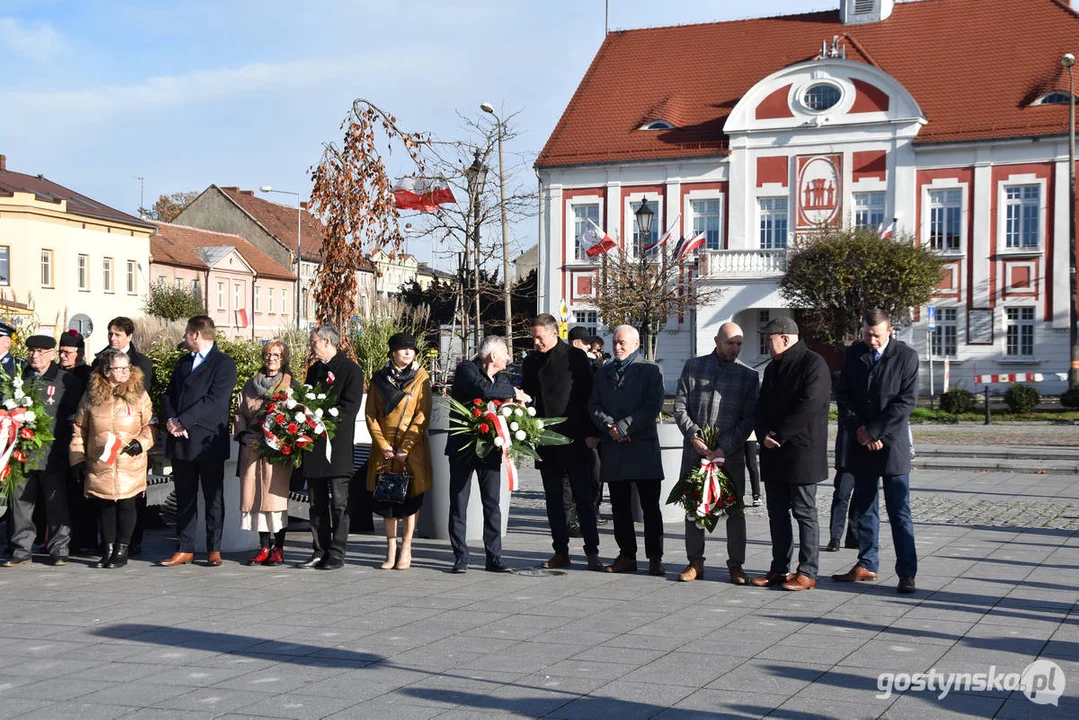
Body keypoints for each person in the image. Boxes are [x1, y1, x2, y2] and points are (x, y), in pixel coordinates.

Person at [832, 308, 920, 594]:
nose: (872, 341)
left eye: (877, 335)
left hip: (892, 445)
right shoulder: (853, 354)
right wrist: (860, 429)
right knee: (865, 508)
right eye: (867, 335)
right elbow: (843, 396)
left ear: (890, 331)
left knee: (899, 512)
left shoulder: (906, 357)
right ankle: (867, 562)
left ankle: (907, 572)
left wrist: (875, 431)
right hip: (861, 444)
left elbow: (905, 403)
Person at [672, 322, 758, 584]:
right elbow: (680, 407)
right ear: (716, 341)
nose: (735, 348)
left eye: (739, 344)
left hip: (729, 456)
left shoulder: (748, 376)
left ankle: (736, 566)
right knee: (694, 509)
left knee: (734, 512)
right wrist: (695, 436)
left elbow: (748, 419)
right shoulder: (694, 366)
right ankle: (695, 562)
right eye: (730, 342)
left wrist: (724, 447)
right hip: (696, 454)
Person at [750, 317, 830, 591]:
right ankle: (779, 569)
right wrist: (763, 434)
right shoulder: (773, 368)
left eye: (768, 338)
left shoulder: (813, 364)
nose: (766, 343)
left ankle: (807, 571)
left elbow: (810, 405)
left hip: (801, 453)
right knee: (777, 514)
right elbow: (760, 406)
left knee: (804, 512)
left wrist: (780, 434)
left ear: (784, 338)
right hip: (773, 452)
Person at [522, 314, 602, 571]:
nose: (536, 342)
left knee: (583, 497)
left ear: (554, 333)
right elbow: (527, 393)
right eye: (533, 337)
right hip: (545, 438)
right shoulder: (531, 361)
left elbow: (588, 395)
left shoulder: (575, 357)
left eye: (539, 337)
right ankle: (561, 551)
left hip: (575, 437)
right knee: (554, 499)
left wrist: (592, 432)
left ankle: (592, 551)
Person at [159, 316, 238, 567]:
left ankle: (214, 548)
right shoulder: (183, 363)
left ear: (196, 334)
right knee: (185, 496)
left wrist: (183, 421)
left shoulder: (223, 364)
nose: (184, 337)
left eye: (186, 333)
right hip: (180, 439)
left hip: (207, 440)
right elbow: (168, 394)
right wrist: (172, 420)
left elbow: (215, 401)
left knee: (213, 496)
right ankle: (185, 548)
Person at [588, 325, 665, 576]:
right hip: (614, 447)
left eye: (622, 343)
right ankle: (627, 555)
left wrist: (624, 427)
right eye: (615, 343)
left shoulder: (651, 370)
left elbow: (652, 406)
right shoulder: (604, 371)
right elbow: (594, 403)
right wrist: (609, 425)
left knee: (649, 506)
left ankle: (655, 557)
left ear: (635, 344)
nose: (617, 347)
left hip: (641, 445)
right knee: (620, 507)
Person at [446, 335, 528, 573]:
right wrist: (514, 391)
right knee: (459, 502)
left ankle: (494, 557)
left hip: (489, 449)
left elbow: (502, 397)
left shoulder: (501, 377)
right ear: (493, 356)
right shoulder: (466, 370)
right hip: (463, 447)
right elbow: (484, 389)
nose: (509, 359)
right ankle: (460, 557)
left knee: (492, 504)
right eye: (505, 354)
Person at [69, 348, 156, 568]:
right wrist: (77, 458)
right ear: (107, 371)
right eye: (119, 368)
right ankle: (107, 548)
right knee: (104, 504)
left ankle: (122, 549)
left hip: (129, 459)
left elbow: (151, 425)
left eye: (127, 367)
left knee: (127, 503)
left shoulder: (139, 394)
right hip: (100, 460)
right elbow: (80, 428)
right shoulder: (92, 395)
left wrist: (141, 443)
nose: (125, 372)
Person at [2, 335, 83, 567]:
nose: (34, 356)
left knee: (55, 502)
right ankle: (21, 549)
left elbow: (74, 418)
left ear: (51, 353)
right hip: (21, 452)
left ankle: (59, 548)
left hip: (51, 452)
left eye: (39, 351)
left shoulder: (66, 381)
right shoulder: (19, 378)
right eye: (30, 351)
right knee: (21, 502)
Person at [366, 332, 433, 571]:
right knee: (388, 501)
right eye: (403, 349)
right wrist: (382, 444)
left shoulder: (421, 379)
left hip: (411, 450)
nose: (408, 352)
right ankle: (391, 549)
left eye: (411, 349)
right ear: (392, 352)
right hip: (384, 450)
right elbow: (371, 414)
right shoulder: (379, 379)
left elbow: (422, 415)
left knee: (410, 501)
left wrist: (405, 448)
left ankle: (406, 547)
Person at [299, 324, 364, 571]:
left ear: (327, 342)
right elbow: (305, 400)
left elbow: (349, 410)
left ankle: (337, 552)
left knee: (338, 502)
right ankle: (319, 550)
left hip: (336, 447)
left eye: (314, 341)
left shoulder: (351, 371)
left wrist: (322, 422)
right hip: (314, 447)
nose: (311, 345)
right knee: (315, 503)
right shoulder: (315, 370)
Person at [234, 339, 295, 567]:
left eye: (277, 355)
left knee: (275, 499)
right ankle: (263, 547)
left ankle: (278, 548)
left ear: (283, 359)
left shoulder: (290, 384)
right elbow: (239, 412)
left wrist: (279, 437)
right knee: (255, 499)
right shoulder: (250, 384)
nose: (271, 359)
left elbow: (295, 415)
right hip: (252, 448)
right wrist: (242, 434)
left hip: (276, 451)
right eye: (268, 355)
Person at [105, 317, 153, 556]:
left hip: (131, 438)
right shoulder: (100, 359)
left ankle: (132, 541)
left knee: (133, 496)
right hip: (105, 440)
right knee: (105, 495)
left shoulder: (142, 362)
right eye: (110, 334)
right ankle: (109, 542)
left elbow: (146, 405)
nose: (113, 338)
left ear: (129, 336)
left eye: (117, 334)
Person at [57, 330, 96, 554]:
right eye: (60, 351)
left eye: (67, 352)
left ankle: (84, 539)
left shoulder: (87, 375)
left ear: (79, 353)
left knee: (80, 491)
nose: (62, 356)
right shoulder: (55, 373)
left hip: (80, 438)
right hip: (57, 439)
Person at [826, 372, 858, 553]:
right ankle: (835, 537)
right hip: (847, 451)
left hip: (867, 451)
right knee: (841, 495)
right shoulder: (841, 378)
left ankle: (854, 536)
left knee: (861, 498)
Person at [744, 432, 762, 506]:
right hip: (735, 435)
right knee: (737, 466)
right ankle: (738, 496)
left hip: (750, 436)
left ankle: (756, 495)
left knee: (752, 465)